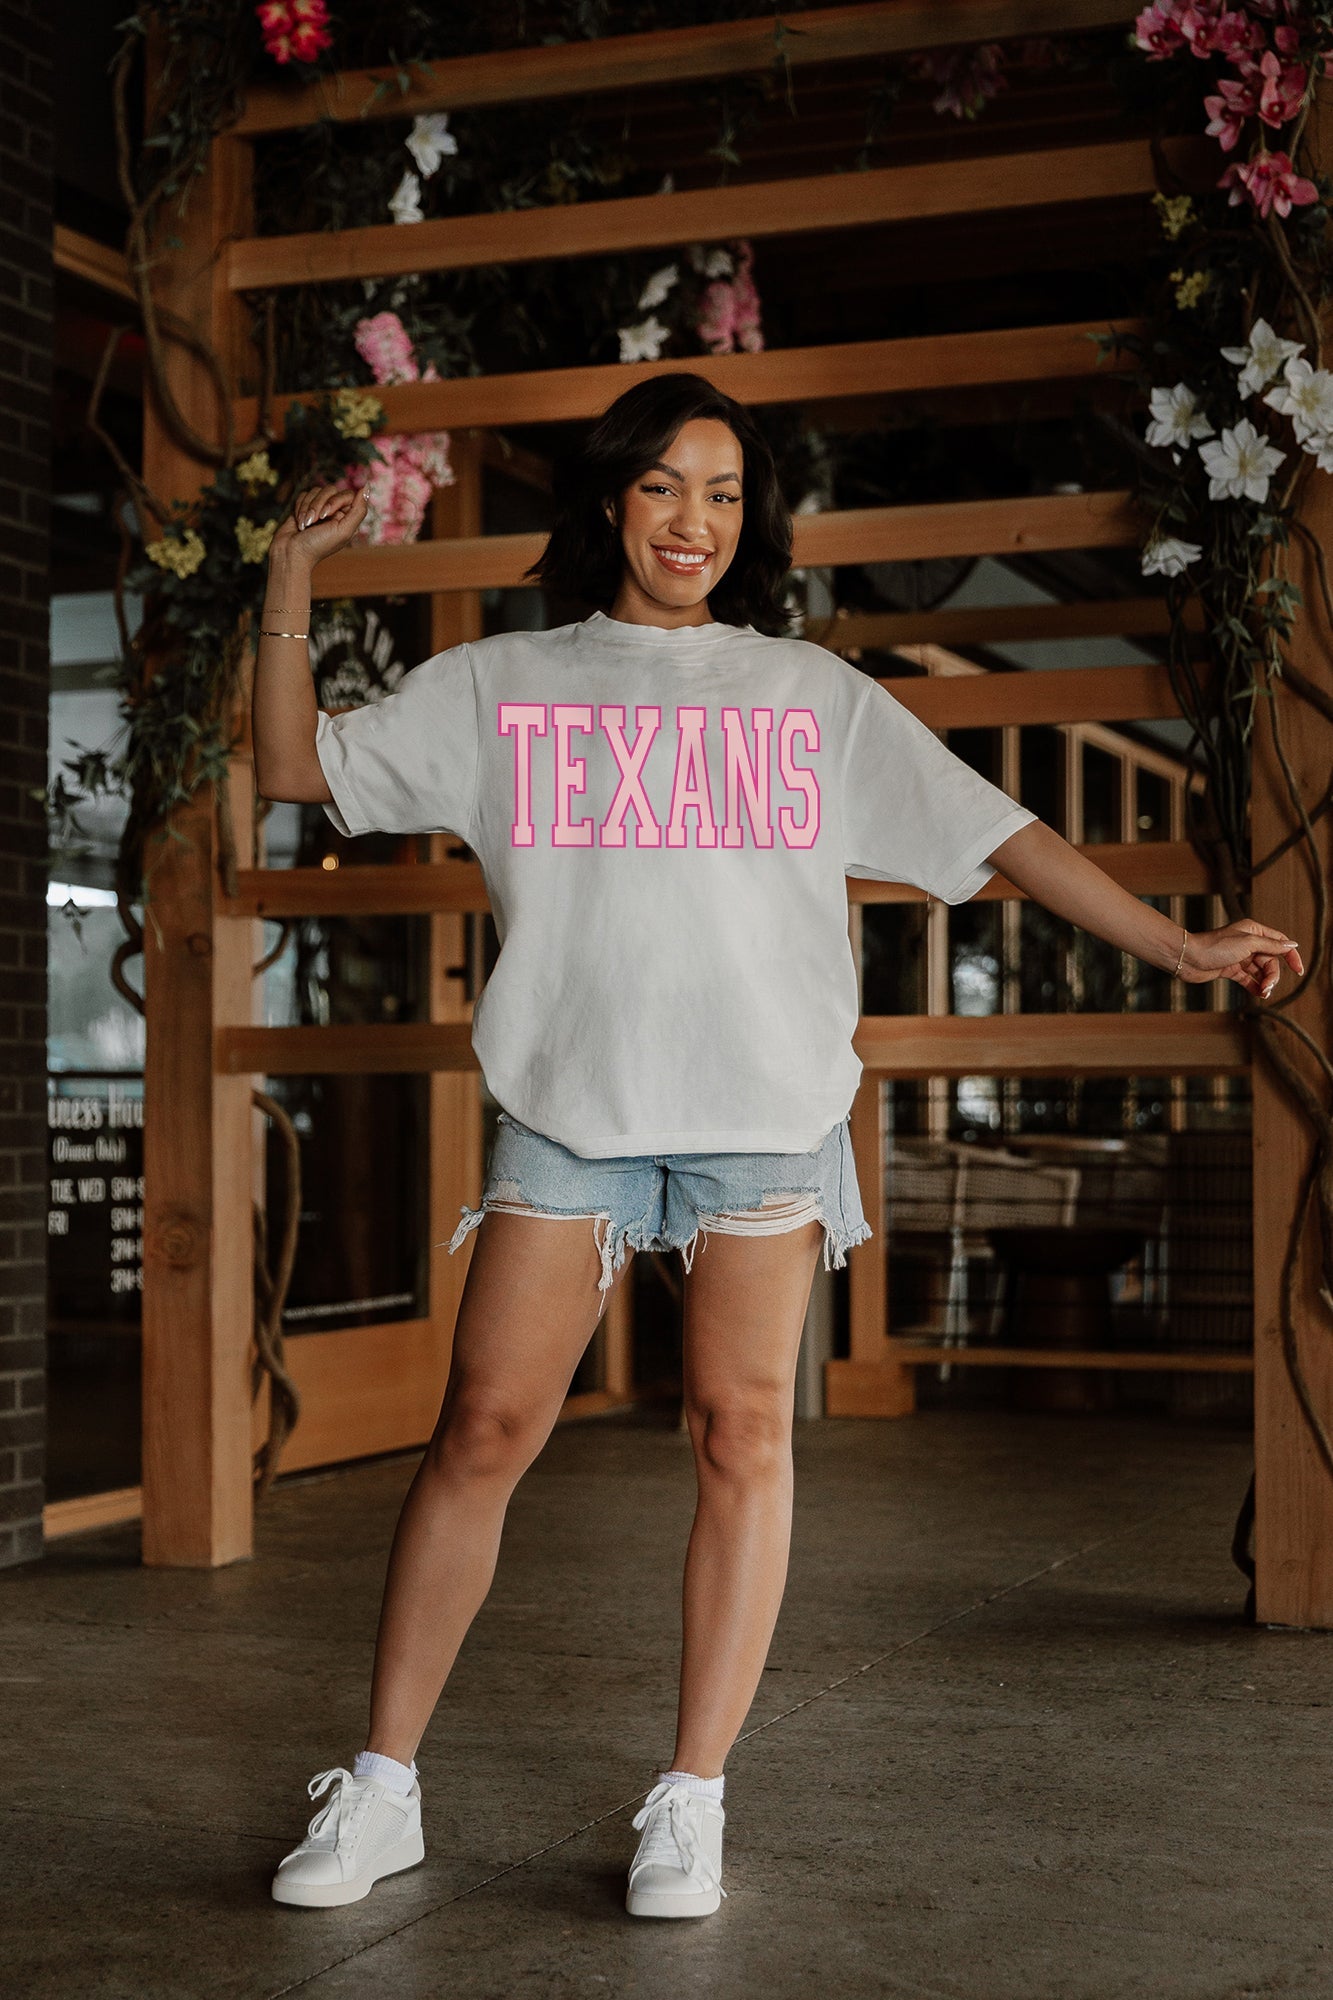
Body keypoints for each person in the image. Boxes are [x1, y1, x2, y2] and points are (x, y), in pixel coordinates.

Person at [251, 371, 1301, 1917]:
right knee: (480, 1430)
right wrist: (289, 581)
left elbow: (997, 834)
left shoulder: (806, 694)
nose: (696, 521)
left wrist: (1179, 942)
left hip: (761, 1119)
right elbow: (298, 769)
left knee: (742, 1436)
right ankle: (384, 1789)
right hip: (572, 1112)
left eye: (726, 493)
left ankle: (690, 1800)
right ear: (611, 499)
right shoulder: (504, 686)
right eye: (665, 485)